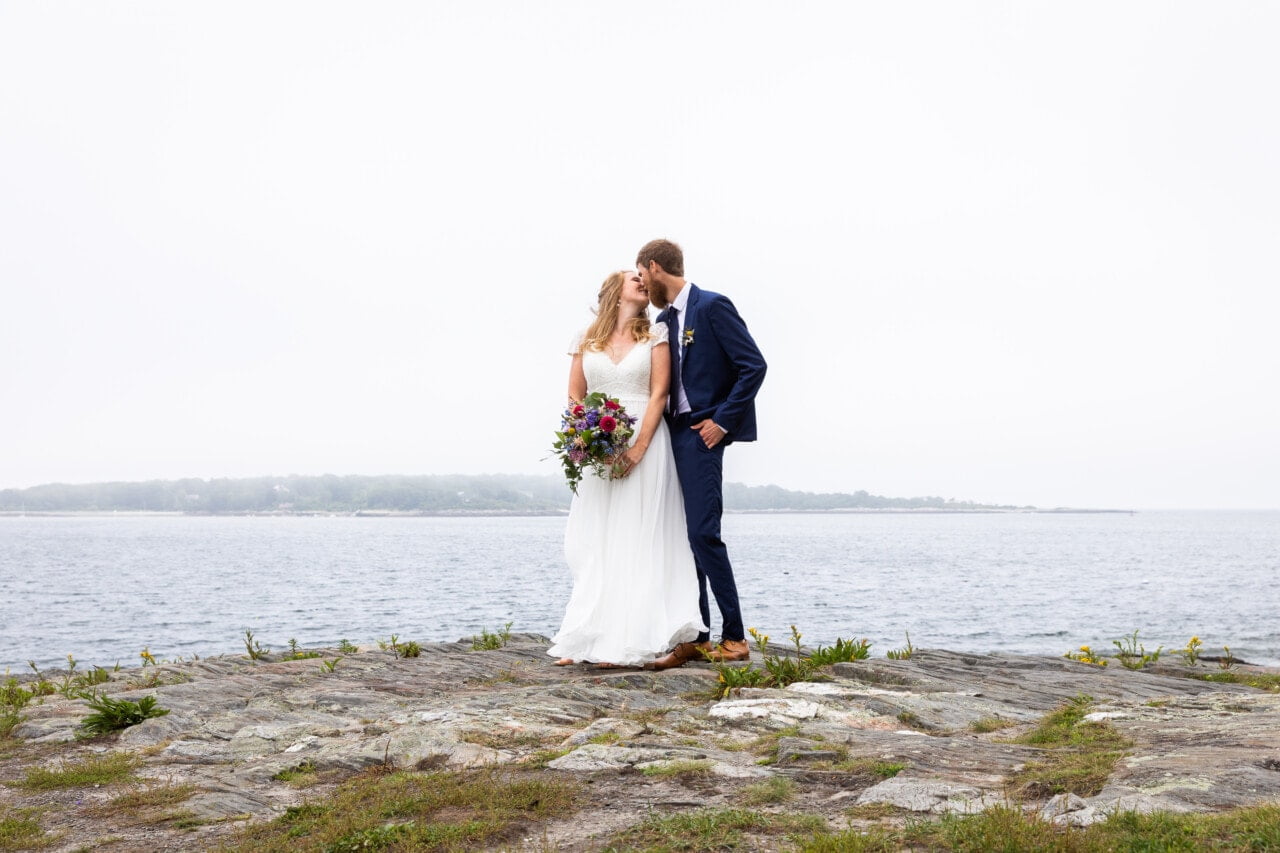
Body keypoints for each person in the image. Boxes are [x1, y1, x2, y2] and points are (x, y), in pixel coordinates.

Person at [547, 270, 707, 667]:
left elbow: (658, 394)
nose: (641, 280)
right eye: (632, 277)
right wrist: (587, 438)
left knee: (639, 538)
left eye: (643, 276)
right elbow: (574, 395)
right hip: (599, 450)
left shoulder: (656, 335)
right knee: (598, 538)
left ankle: (633, 638)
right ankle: (589, 637)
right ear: (613, 292)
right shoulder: (585, 339)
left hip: (646, 445)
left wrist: (637, 448)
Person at [638, 239, 767, 671]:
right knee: (683, 538)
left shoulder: (712, 306)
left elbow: (754, 365)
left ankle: (734, 636)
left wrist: (723, 422)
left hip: (701, 435)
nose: (641, 282)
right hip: (668, 437)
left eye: (642, 274)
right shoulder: (661, 320)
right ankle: (698, 634)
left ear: (655, 268)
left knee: (703, 533)